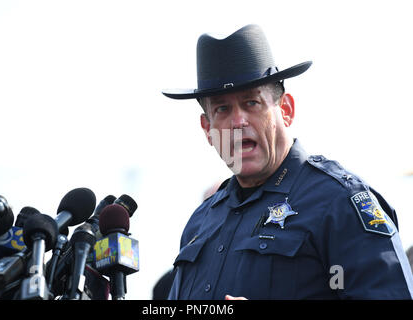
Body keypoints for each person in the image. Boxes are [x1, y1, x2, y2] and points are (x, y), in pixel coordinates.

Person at [161, 24, 413, 299]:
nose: (237, 122)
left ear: (286, 110)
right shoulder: (200, 222)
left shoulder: (339, 203)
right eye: (222, 109)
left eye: (251, 103)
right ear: (207, 129)